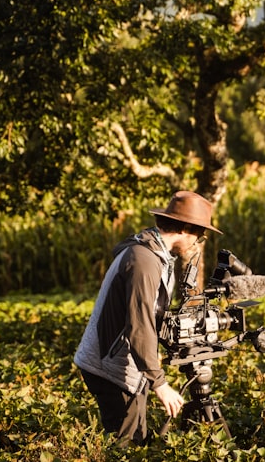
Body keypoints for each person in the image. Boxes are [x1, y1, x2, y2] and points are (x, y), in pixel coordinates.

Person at [74, 190, 221, 445]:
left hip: (121, 362)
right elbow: (139, 325)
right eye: (199, 235)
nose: (197, 242)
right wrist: (160, 384)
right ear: (185, 229)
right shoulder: (144, 260)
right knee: (127, 447)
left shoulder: (154, 253)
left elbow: (150, 315)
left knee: (137, 439)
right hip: (110, 367)